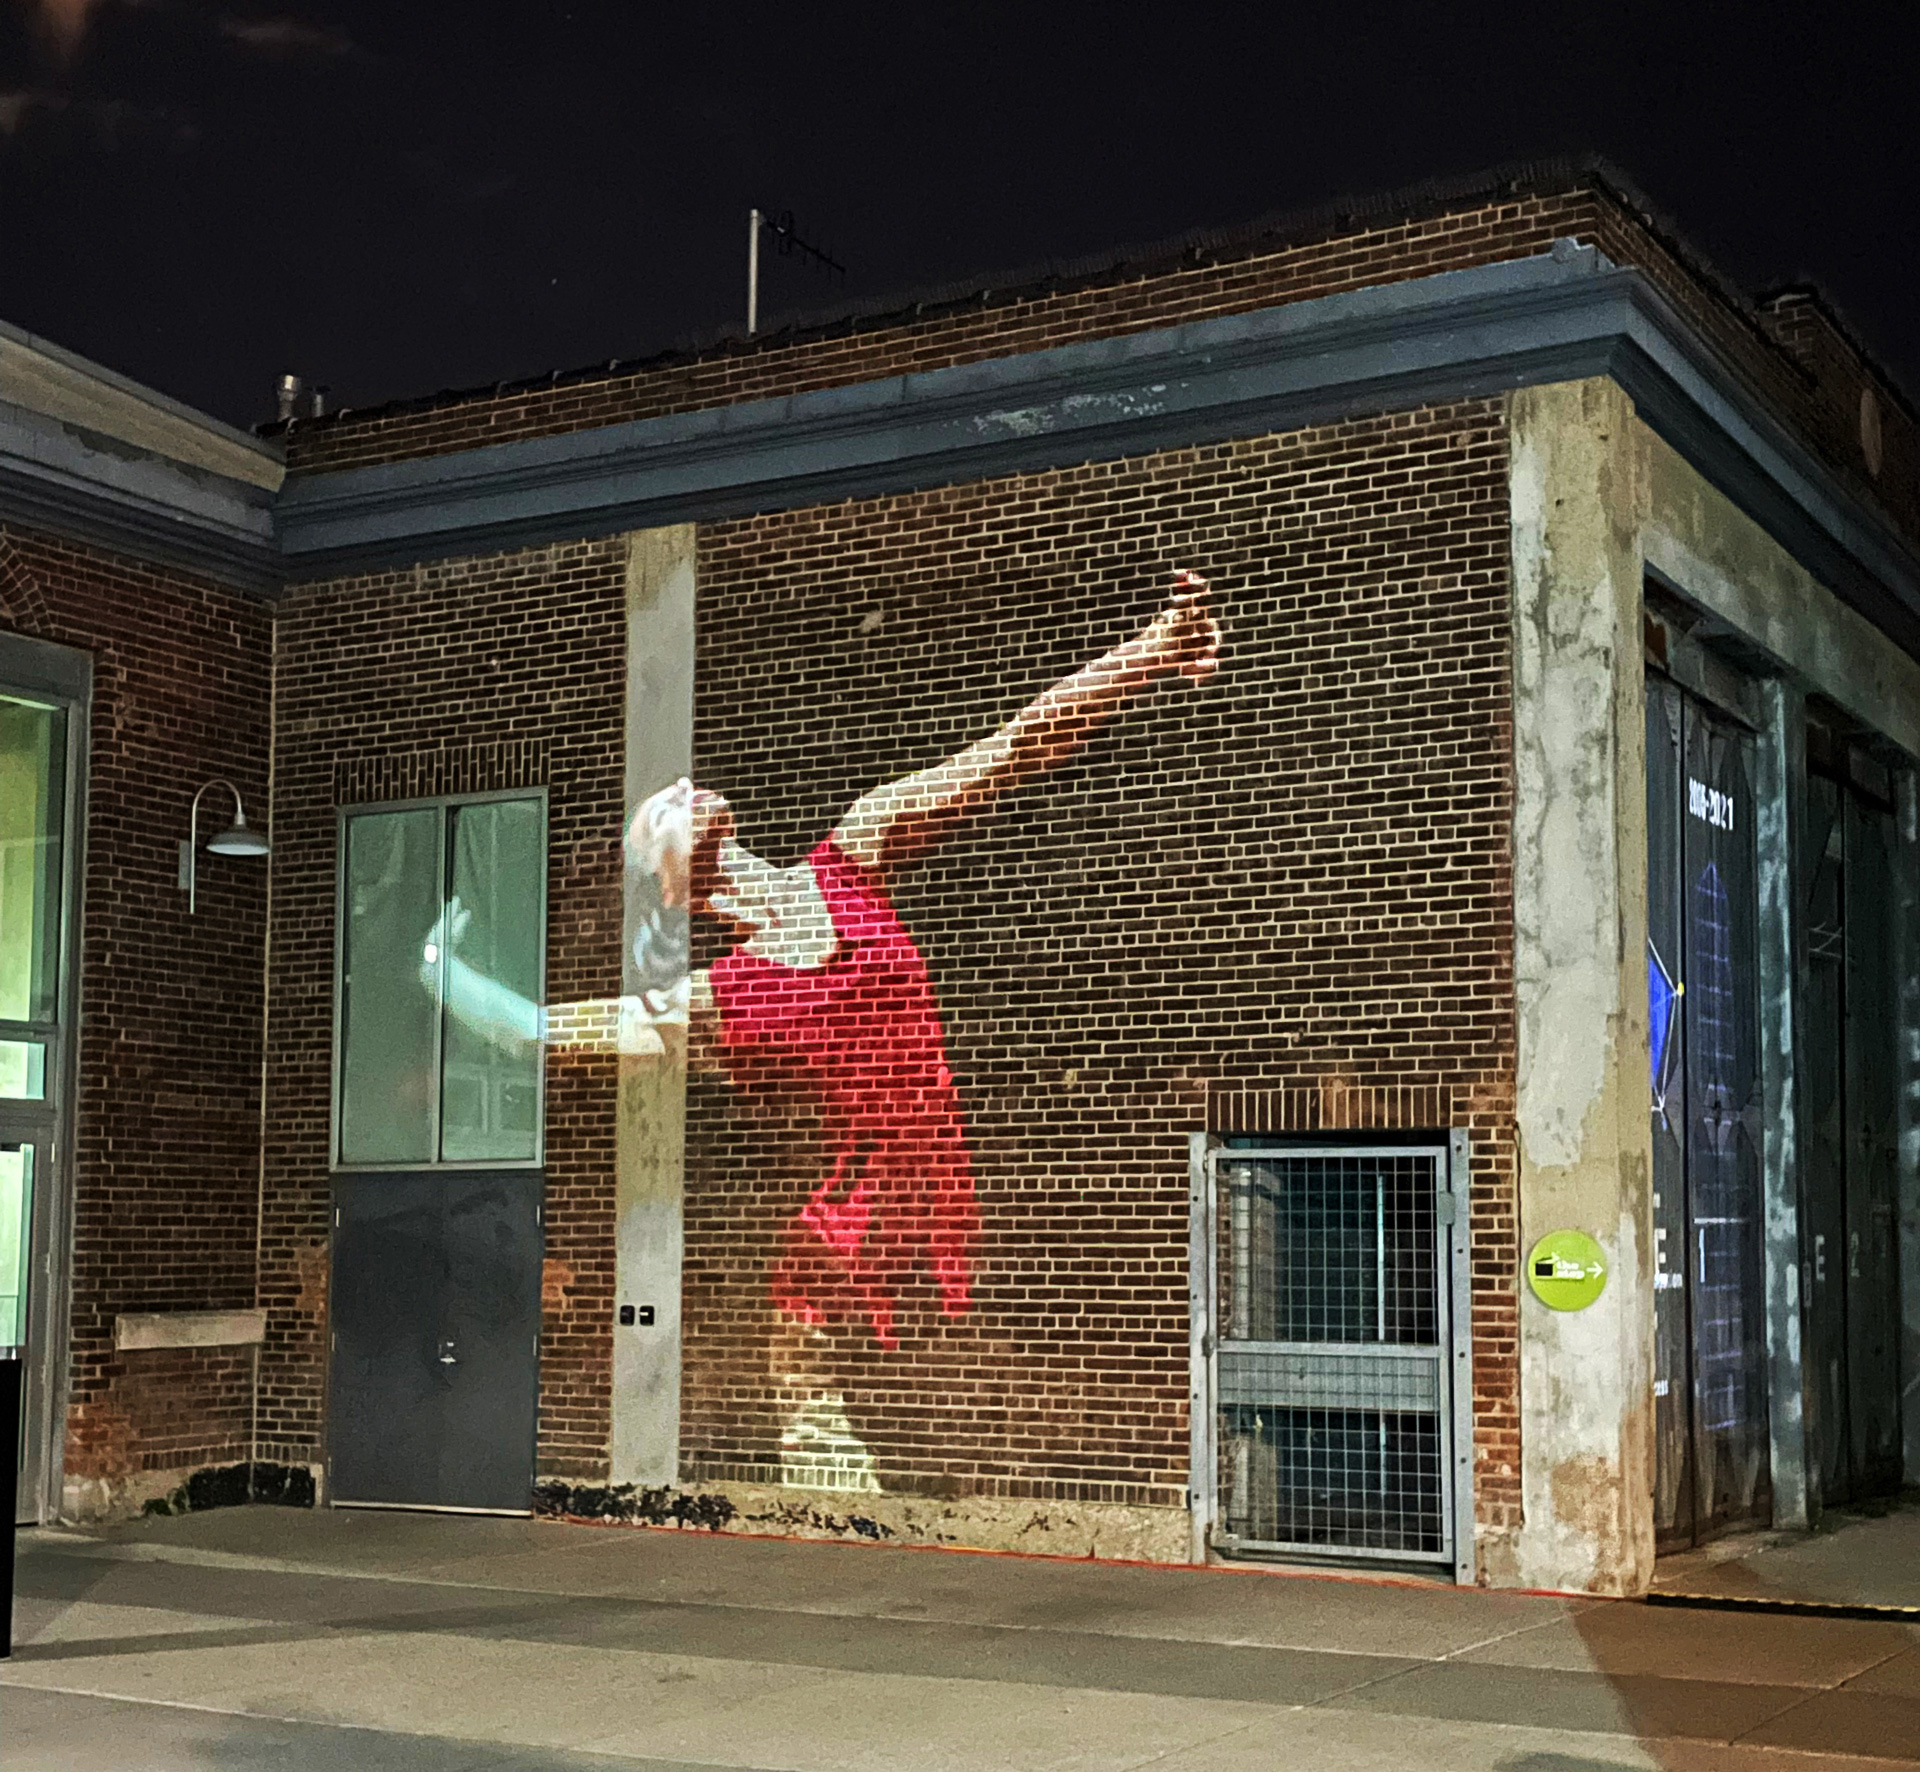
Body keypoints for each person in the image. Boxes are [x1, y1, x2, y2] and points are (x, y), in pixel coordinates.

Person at [427, 571, 1221, 1350]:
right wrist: (439, 969)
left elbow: (1013, 749)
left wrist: (1153, 648)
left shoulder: (857, 849)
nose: (682, 786)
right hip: (857, 1227)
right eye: (663, 806)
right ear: (677, 882)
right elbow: (536, 1029)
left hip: (940, 1184)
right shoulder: (717, 1003)